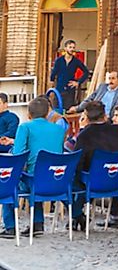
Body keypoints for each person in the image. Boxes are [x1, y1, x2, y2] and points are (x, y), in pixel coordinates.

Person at [0, 97, 64, 238]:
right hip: (57, 179)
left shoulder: (25, 127)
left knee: (10, 183)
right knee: (35, 176)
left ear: (29, 114)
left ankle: (10, 226)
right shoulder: (59, 129)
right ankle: (37, 223)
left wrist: (12, 146)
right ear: (48, 113)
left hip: (34, 178)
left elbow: (18, 154)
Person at [70, 101, 118, 231]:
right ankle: (115, 215)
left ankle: (77, 215)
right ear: (105, 115)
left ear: (86, 116)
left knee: (75, 181)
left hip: (92, 181)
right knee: (112, 168)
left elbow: (78, 161)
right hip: (117, 180)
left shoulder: (85, 135)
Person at [49, 39, 90, 112]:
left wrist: (78, 82)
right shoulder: (59, 60)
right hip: (59, 88)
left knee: (68, 110)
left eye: (73, 47)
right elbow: (54, 72)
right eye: (70, 47)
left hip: (70, 90)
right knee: (57, 109)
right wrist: (51, 82)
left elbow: (86, 72)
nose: (72, 49)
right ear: (65, 48)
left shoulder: (76, 61)